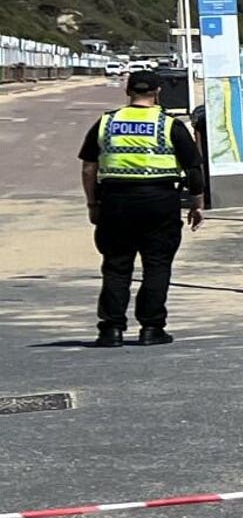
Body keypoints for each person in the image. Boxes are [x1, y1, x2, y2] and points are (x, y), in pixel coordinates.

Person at [78, 69, 207, 346]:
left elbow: (89, 168)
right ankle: (151, 328)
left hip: (115, 201)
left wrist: (93, 203)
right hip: (159, 201)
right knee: (157, 265)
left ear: (128, 91)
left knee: (116, 266)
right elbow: (194, 170)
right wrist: (197, 204)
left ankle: (111, 329)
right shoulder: (169, 124)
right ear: (158, 92)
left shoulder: (106, 123)